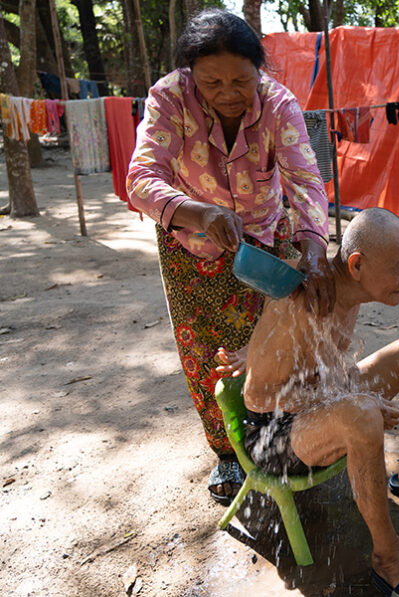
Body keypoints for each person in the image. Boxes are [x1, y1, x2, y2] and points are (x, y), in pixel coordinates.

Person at [126, 9, 334, 504]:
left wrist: (314, 248)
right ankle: (227, 454)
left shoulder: (278, 105)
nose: (227, 93)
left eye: (241, 80)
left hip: (265, 236)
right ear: (190, 76)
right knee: (207, 352)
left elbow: (305, 182)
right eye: (211, 82)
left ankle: (287, 433)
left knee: (276, 337)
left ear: (258, 70)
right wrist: (195, 212)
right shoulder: (169, 98)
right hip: (190, 247)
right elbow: (140, 178)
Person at [240, 208, 399, 596]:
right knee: (361, 412)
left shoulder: (343, 288)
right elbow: (259, 395)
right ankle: (388, 556)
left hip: (325, 400)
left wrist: (354, 394)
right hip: (275, 435)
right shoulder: (302, 297)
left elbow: (322, 369)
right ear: (356, 265)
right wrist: (358, 397)